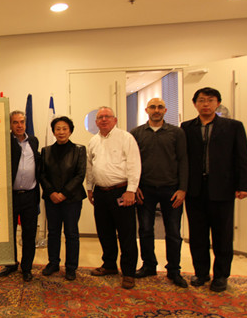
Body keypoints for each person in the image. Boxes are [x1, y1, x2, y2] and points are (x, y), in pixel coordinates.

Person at [181, 87, 247, 292]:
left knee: (222, 235)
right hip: (195, 190)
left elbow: (242, 157)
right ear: (195, 104)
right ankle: (201, 273)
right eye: (201, 100)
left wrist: (243, 185)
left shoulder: (233, 126)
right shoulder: (186, 127)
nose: (206, 104)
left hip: (222, 189)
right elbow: (183, 159)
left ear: (218, 103)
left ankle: (221, 276)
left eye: (210, 100)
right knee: (198, 235)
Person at [130, 98, 189, 288]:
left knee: (173, 232)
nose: (156, 110)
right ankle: (149, 265)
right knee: (145, 230)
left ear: (165, 110)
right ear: (146, 110)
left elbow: (183, 160)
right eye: (153, 107)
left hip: (171, 189)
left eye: (160, 107)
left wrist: (182, 189)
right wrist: (134, 186)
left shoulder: (176, 133)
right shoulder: (136, 133)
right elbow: (131, 162)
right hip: (144, 189)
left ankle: (174, 270)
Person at [86, 107, 141, 289]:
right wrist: (89, 188)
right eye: (100, 117)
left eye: (107, 116)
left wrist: (131, 190)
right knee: (105, 232)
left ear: (115, 120)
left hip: (122, 191)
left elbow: (134, 165)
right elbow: (90, 167)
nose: (103, 120)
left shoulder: (126, 138)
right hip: (100, 193)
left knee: (126, 234)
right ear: (96, 122)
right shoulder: (93, 141)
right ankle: (109, 264)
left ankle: (129, 272)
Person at [39, 116, 87, 281]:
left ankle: (71, 267)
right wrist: (52, 192)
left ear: (70, 131)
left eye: (64, 128)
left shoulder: (79, 150)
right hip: (51, 199)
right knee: (53, 232)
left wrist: (64, 193)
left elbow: (80, 174)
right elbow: (42, 174)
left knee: (71, 233)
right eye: (58, 129)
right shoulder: (46, 151)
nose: (61, 132)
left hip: (72, 199)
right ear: (53, 132)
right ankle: (53, 263)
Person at [0, 110, 41, 282]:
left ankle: (27, 267)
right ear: (10, 124)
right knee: (9, 233)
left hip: (30, 195)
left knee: (29, 234)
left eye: (22, 122)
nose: (19, 125)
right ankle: (10, 264)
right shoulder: (4, 141)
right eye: (15, 122)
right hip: (11, 196)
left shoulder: (34, 141)